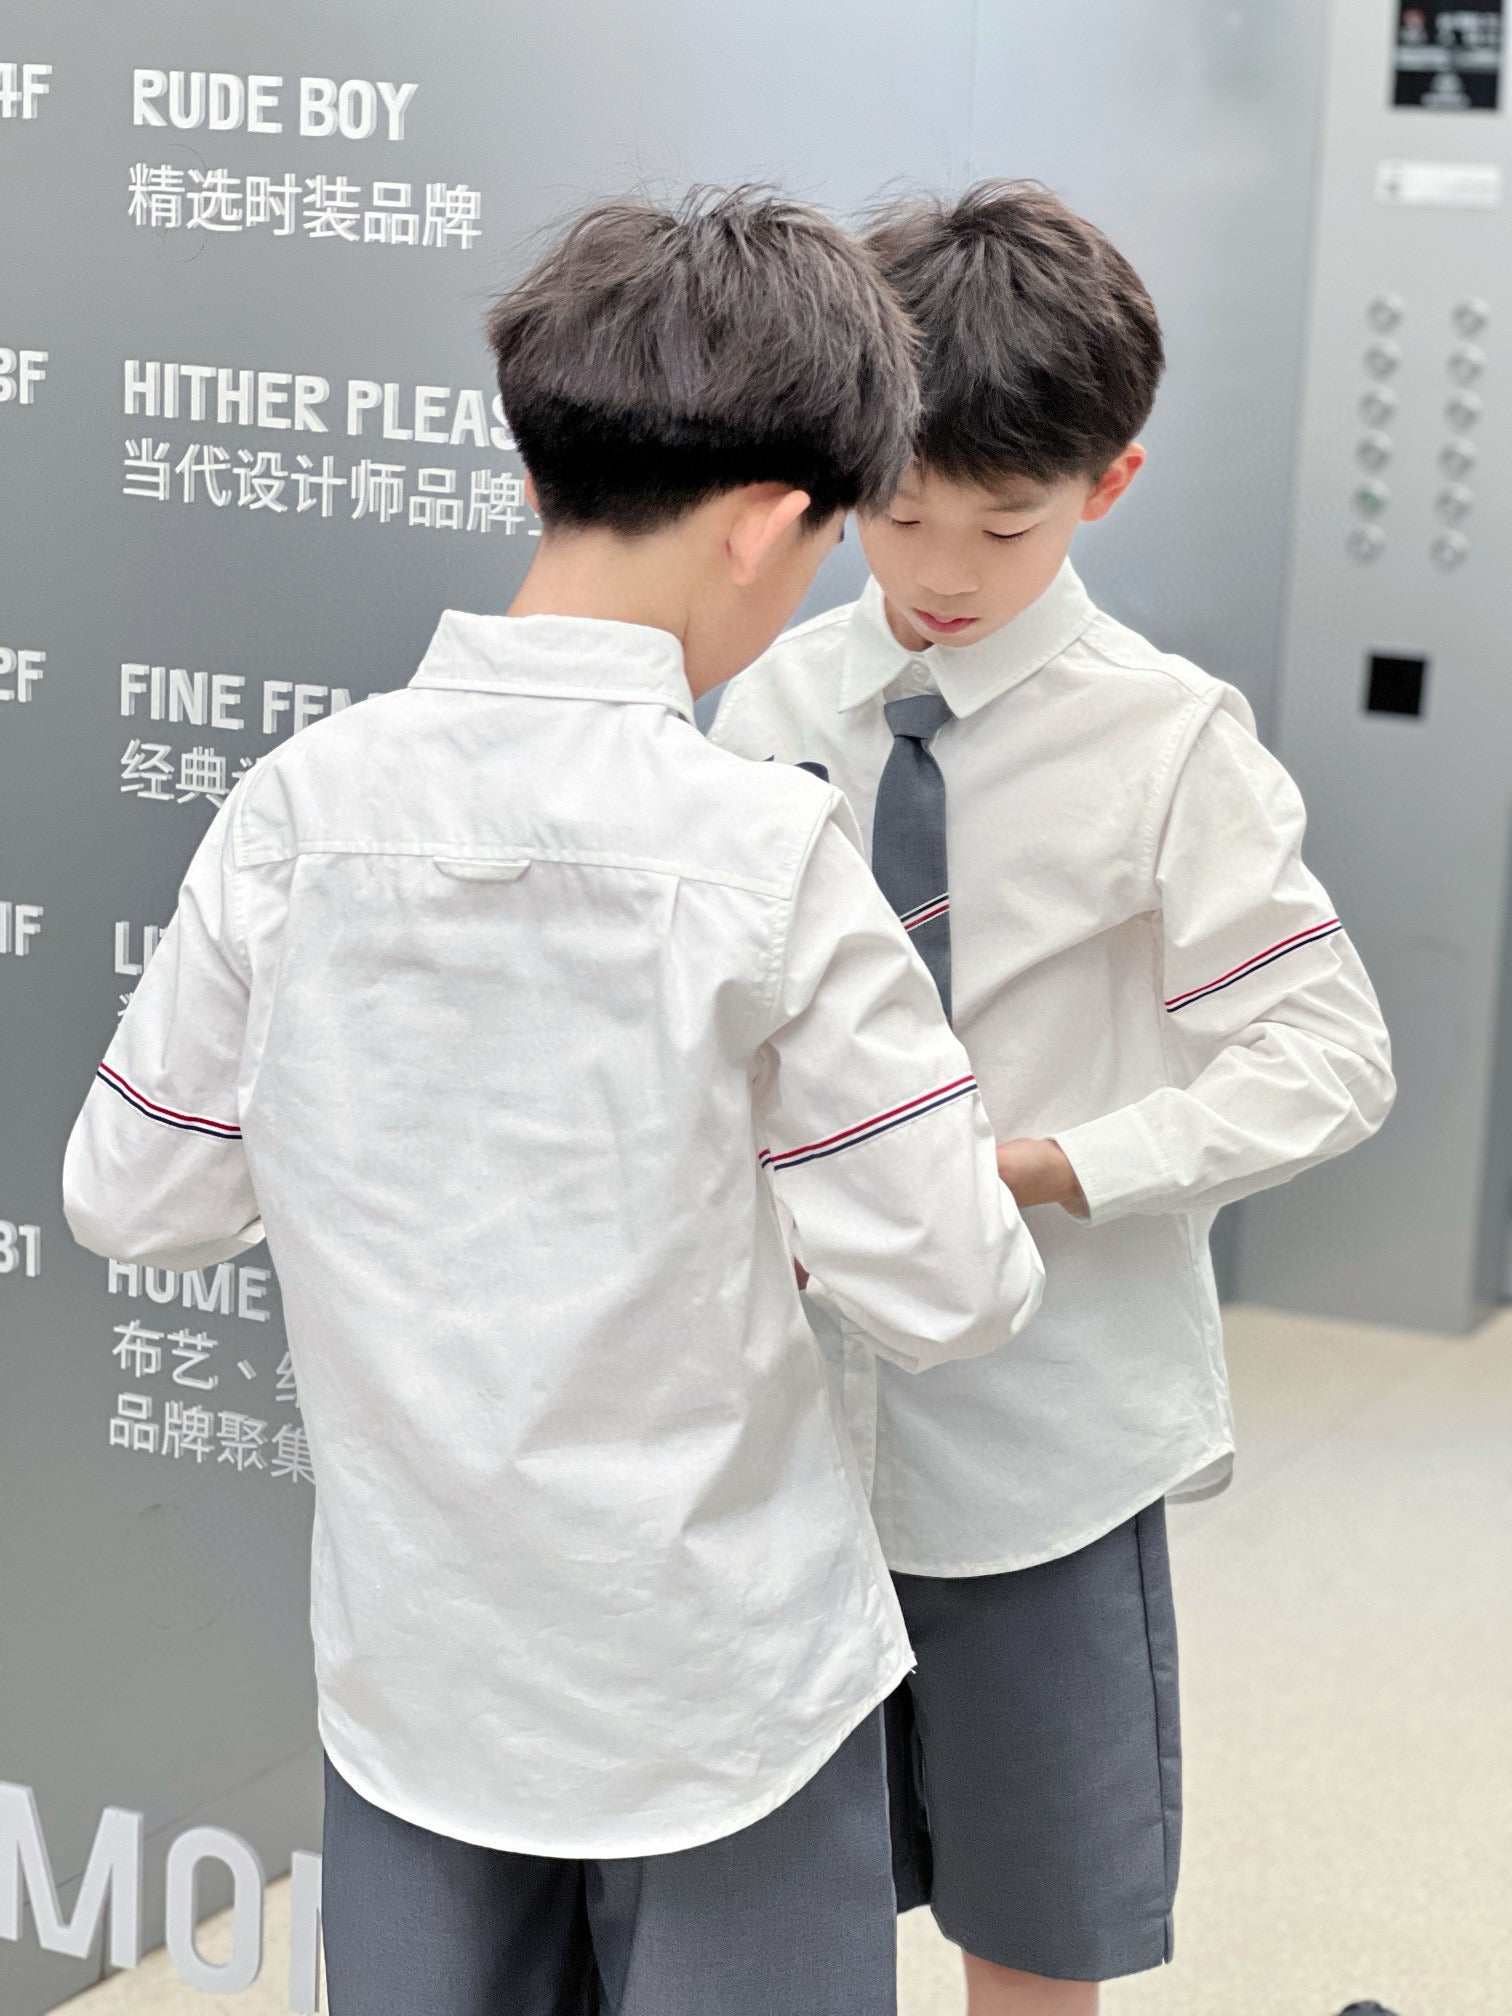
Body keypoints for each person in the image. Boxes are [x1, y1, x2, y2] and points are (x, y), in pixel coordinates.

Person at [61, 187, 1045, 2016]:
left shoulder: (295, 809)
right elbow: (956, 1286)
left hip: (421, 1674)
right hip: (719, 1688)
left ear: (537, 476)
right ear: (769, 526)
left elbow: (138, 1196)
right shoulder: (766, 852)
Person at [706, 180, 1396, 2016]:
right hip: (787, 1431)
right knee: (775, 1908)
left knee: (1037, 1917)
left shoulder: (1165, 742)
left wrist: (1050, 1167)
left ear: (1109, 485)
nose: (939, 570)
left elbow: (1330, 1060)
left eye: (1002, 525)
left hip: (1041, 1441)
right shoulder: (773, 703)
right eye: (894, 512)